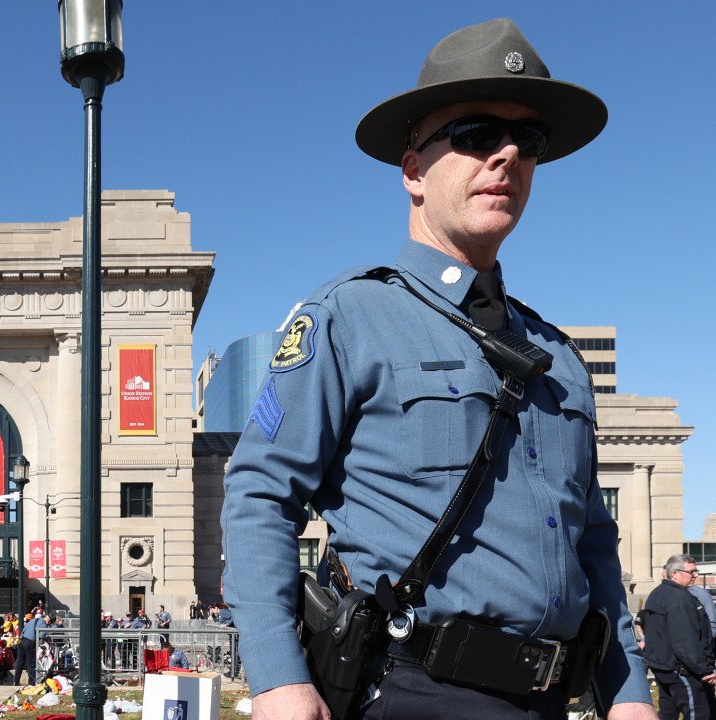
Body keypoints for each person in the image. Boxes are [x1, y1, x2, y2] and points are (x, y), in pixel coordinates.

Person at [220, 18, 654, 720]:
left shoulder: (559, 360)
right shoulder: (350, 317)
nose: (508, 155)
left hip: (548, 699)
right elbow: (261, 493)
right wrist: (275, 677)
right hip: (412, 690)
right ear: (414, 171)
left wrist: (628, 693)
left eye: (529, 141)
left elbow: (593, 544)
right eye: (478, 134)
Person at [642, 555, 715, 720]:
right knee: (700, 714)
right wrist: (704, 669)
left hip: (664, 668)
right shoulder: (679, 598)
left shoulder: (658, 593)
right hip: (682, 670)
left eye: (696, 571)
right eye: (692, 572)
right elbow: (685, 641)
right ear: (674, 573)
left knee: (668, 713)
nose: (696, 575)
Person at [13, 611, 41, 686]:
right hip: (29, 643)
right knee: (30, 663)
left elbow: (23, 631)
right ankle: (31, 682)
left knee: (19, 662)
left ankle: (16, 681)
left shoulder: (31, 622)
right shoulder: (39, 623)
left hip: (22, 641)